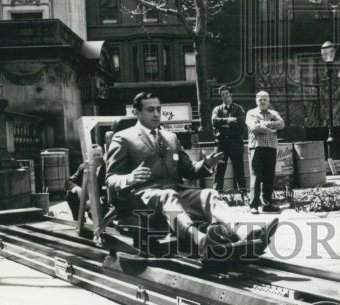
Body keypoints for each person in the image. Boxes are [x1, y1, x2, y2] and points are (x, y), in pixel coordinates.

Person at [106, 92, 275, 261]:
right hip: (142, 197)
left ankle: (244, 234)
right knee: (168, 196)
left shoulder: (170, 137)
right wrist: (130, 178)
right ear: (136, 112)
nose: (156, 114)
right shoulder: (123, 138)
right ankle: (200, 241)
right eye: (150, 110)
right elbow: (111, 178)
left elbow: (188, 170)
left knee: (209, 194)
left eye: (158, 109)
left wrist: (206, 164)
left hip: (174, 192)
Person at [245, 90, 285, 214]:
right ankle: (254, 206)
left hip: (271, 147)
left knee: (269, 177)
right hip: (257, 147)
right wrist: (272, 128)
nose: (262, 101)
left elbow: (282, 124)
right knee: (256, 177)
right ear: (256, 101)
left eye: (265, 99)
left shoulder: (274, 113)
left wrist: (265, 124)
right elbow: (255, 128)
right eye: (260, 99)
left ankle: (267, 204)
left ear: (268, 101)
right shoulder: (251, 113)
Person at [210, 85, 247, 199]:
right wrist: (229, 120)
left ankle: (243, 194)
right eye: (222, 94)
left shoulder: (238, 108)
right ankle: (217, 193)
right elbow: (214, 121)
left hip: (235, 142)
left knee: (239, 168)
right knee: (219, 168)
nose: (225, 96)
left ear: (231, 94)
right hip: (221, 143)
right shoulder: (217, 109)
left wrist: (224, 125)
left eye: (226, 93)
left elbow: (241, 124)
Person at [65, 144, 106, 221]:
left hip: (103, 203)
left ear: (103, 155)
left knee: (93, 213)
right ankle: (80, 223)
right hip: (87, 199)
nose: (96, 157)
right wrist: (76, 188)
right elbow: (69, 181)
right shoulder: (83, 167)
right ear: (89, 156)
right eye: (93, 155)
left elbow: (111, 193)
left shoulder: (108, 168)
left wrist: (96, 201)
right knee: (71, 194)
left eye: (98, 155)